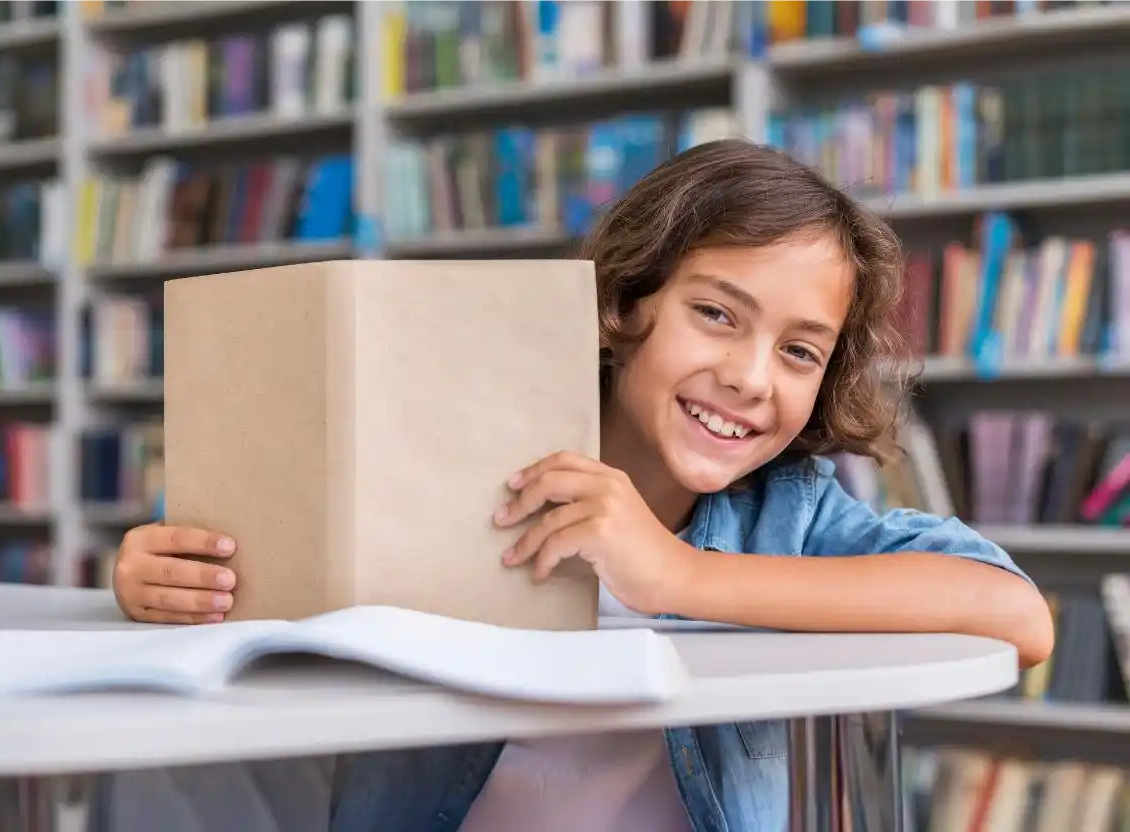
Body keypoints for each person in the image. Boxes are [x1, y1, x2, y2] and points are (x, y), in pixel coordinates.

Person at [106, 139, 1054, 832]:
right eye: (717, 314)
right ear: (623, 302)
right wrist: (167, 573)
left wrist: (676, 575)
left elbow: (1016, 615)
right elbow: (246, 564)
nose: (752, 377)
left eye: (799, 350)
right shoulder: (452, 460)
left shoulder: (790, 512)